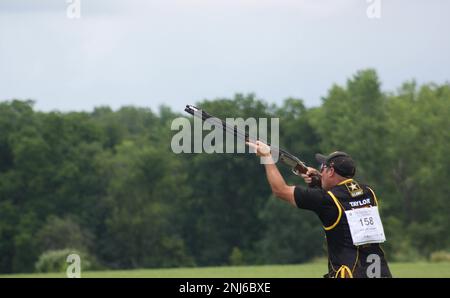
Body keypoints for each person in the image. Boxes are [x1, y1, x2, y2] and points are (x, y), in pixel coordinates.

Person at [246, 140, 392, 278]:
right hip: (379, 271)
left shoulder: (327, 200)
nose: (321, 171)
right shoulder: (368, 192)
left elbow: (280, 190)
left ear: (331, 171)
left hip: (350, 273)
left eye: (324, 168)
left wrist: (267, 157)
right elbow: (343, 201)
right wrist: (318, 181)